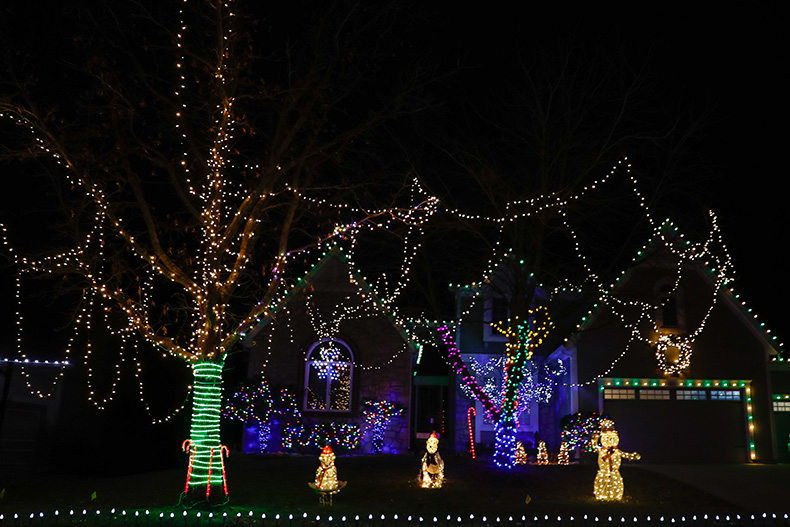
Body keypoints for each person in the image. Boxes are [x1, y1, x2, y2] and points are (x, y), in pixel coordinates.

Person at [592, 419, 640, 500]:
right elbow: (595, 446)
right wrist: (594, 440)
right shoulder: (603, 451)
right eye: (607, 437)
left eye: (612, 438)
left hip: (614, 468)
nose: (610, 440)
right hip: (603, 468)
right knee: (603, 477)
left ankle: (615, 495)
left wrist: (631, 456)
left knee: (615, 477)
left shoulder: (615, 451)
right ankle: (601, 494)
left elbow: (622, 453)